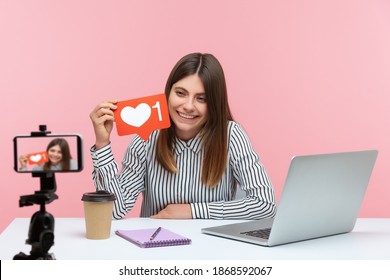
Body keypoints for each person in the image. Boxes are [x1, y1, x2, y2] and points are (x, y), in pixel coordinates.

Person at [89, 52, 276, 220]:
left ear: (214, 103)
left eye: (201, 98)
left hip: (213, 249)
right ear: (168, 93)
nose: (188, 105)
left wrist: (192, 211)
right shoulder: (146, 139)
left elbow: (265, 204)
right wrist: (102, 144)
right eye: (180, 93)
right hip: (157, 249)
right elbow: (114, 210)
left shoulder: (231, 135)